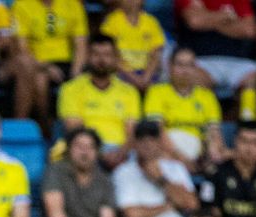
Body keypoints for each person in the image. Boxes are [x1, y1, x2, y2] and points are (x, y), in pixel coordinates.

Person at [113, 120, 198, 217]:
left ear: (159, 143)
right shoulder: (124, 172)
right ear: (135, 144)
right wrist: (169, 206)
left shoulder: (176, 168)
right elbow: (132, 214)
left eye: (152, 140)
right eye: (142, 140)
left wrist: (161, 180)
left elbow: (191, 204)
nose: (147, 145)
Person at [56, 36, 140, 168]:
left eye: (107, 55)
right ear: (87, 57)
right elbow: (75, 130)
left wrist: (119, 154)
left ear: (115, 58)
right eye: (96, 54)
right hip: (86, 150)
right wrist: (100, 153)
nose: (102, 60)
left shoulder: (129, 91)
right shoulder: (70, 89)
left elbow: (132, 132)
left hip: (122, 152)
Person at [41, 128, 116, 217]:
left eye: (90, 147)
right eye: (79, 146)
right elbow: (56, 216)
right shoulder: (56, 171)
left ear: (97, 152)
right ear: (69, 149)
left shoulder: (104, 180)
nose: (84, 152)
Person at [10, 0, 88, 129]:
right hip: (36, 62)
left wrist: (76, 72)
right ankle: (45, 125)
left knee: (80, 80)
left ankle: (47, 127)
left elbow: (81, 45)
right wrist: (46, 66)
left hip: (65, 62)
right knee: (40, 80)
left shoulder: (73, 5)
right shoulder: (22, 5)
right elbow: (22, 48)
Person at [144, 48, 225, 171]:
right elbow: (158, 131)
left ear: (196, 69)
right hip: (169, 152)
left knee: (220, 156)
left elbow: (214, 132)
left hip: (199, 154)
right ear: (170, 67)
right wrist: (180, 158)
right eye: (180, 65)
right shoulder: (156, 92)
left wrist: (213, 152)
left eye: (189, 65)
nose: (185, 70)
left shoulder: (207, 96)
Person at [174, 0, 256, 97]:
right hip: (201, 61)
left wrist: (208, 18)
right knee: (193, 77)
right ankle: (209, 107)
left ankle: (247, 108)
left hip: (239, 62)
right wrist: (227, 16)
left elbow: (249, 30)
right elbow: (195, 21)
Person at [99, 0, 165, 91]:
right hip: (121, 74)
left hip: (147, 76)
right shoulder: (111, 21)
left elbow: (156, 54)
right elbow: (110, 54)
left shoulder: (151, 22)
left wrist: (145, 78)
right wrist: (134, 78)